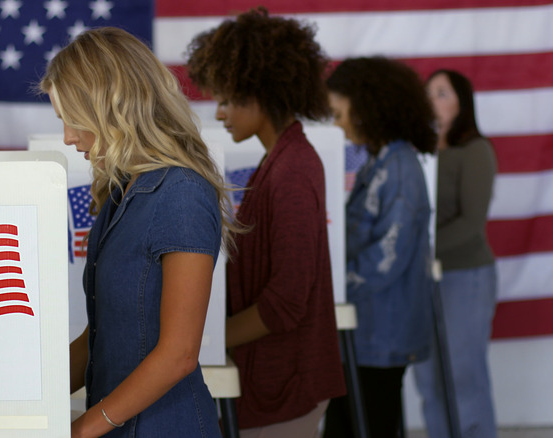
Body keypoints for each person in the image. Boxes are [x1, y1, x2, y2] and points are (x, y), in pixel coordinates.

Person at [40, 27, 240, 438]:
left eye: (74, 120)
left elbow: (179, 354)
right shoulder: (119, 192)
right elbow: (100, 335)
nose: (68, 137)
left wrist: (81, 429)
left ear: (111, 105)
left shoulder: (181, 191)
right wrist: (28, 396)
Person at [186, 8, 345, 438]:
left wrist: (201, 344)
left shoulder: (291, 170)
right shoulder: (281, 161)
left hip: (286, 382)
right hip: (276, 378)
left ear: (259, 91)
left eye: (225, 98)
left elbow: (287, 301)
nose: (219, 113)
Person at [324, 56, 436, 438]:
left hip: (382, 331)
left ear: (368, 108)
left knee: (366, 423)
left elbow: (388, 256)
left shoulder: (399, 168)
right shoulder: (379, 162)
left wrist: (333, 288)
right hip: (366, 329)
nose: (337, 124)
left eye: (340, 113)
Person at [413, 69, 499, 438]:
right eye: (429, 92)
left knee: (463, 373)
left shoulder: (475, 151)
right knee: (428, 377)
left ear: (462, 103)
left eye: (442, 92)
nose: (433, 99)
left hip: (464, 276)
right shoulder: (417, 151)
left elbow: (471, 224)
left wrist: (417, 252)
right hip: (421, 278)